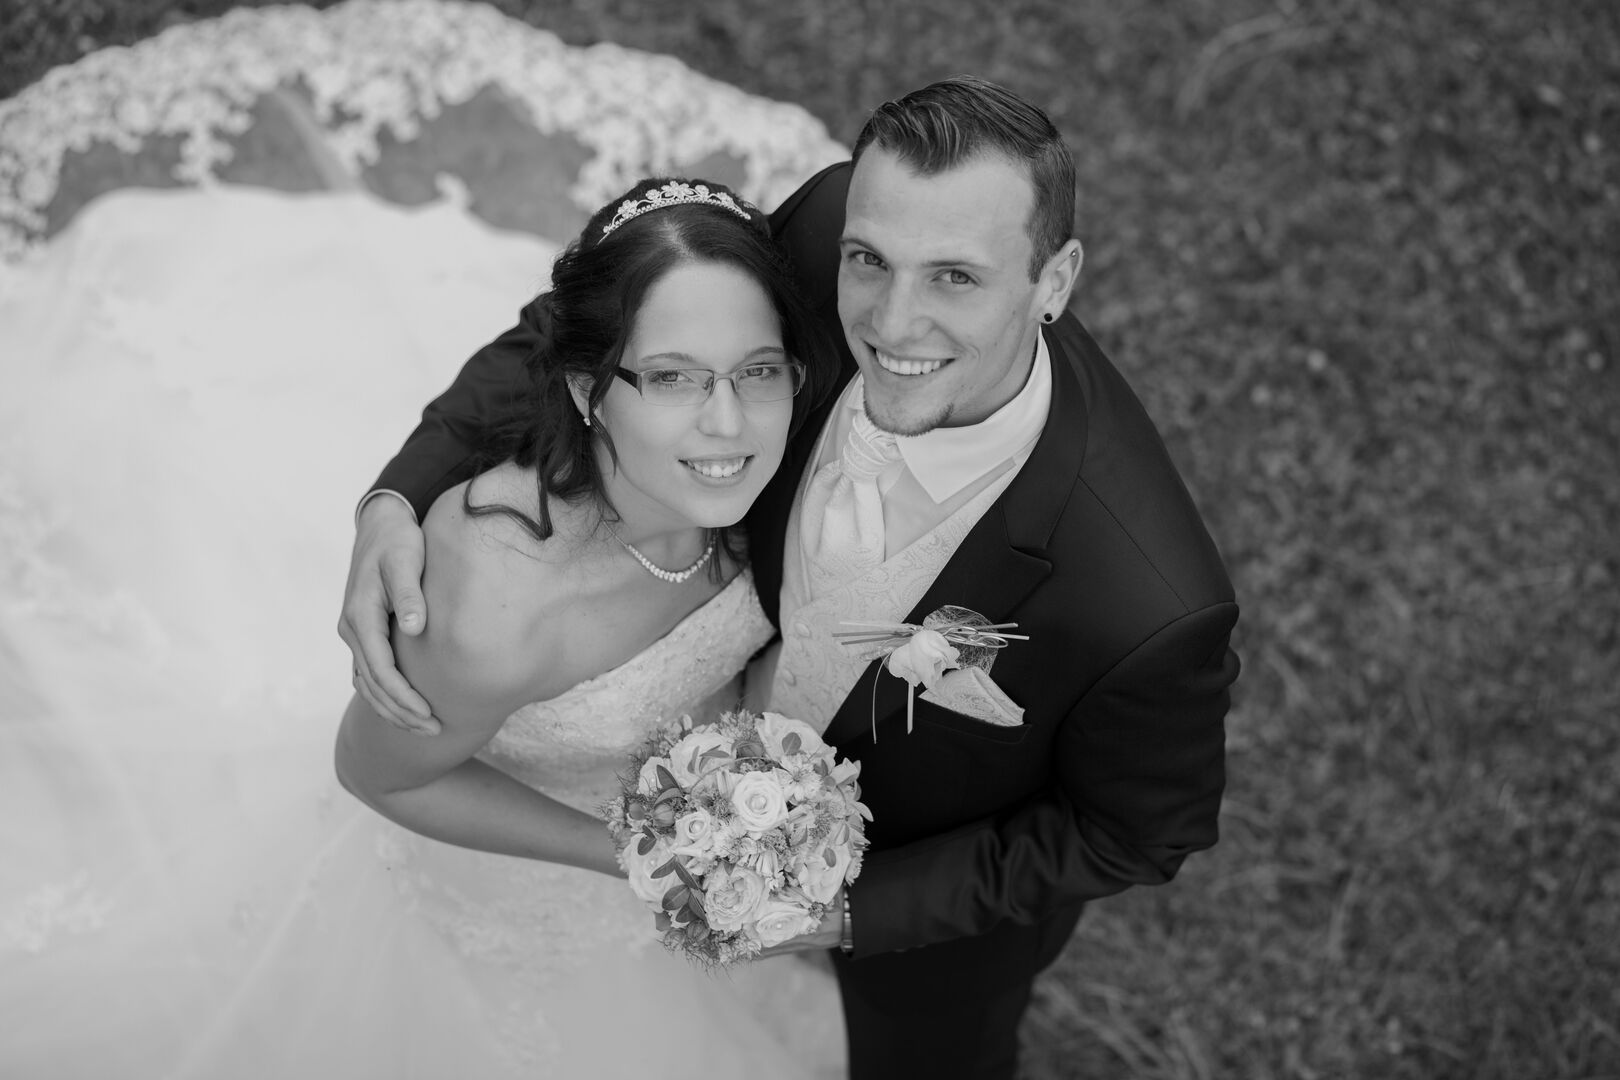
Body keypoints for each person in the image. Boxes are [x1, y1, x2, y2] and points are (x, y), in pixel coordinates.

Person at [345, 76, 1240, 1080]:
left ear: (1055, 279)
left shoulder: (1146, 605)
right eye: (871, 262)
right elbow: (587, 331)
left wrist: (850, 913)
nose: (892, 323)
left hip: (927, 934)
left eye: (956, 278)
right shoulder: (821, 240)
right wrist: (398, 493)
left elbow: (1134, 834)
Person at [0, 176, 845, 1078]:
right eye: (672, 378)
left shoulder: (783, 467)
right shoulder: (495, 603)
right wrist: (654, 854)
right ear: (589, 391)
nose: (728, 423)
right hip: (517, 893)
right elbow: (376, 771)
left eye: (759, 371)